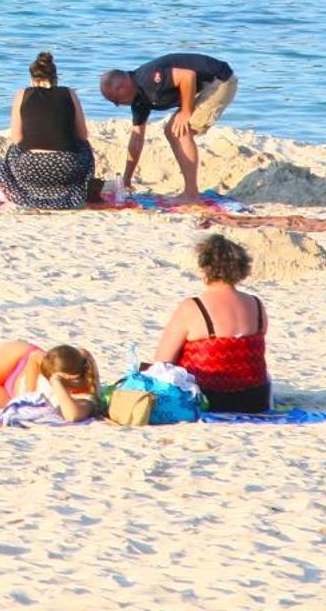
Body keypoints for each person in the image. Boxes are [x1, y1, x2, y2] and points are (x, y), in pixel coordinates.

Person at [150, 233, 272, 412]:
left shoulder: (193, 307)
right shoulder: (256, 304)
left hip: (207, 397)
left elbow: (163, 360)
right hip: (255, 398)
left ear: (205, 267)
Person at [99, 53, 237, 202]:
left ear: (122, 87)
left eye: (114, 99)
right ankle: (191, 191)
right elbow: (136, 139)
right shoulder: (139, 100)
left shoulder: (148, 78)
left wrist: (186, 111)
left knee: (179, 132)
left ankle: (191, 193)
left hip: (220, 81)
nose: (117, 105)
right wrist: (126, 180)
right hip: (205, 85)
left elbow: (187, 76)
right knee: (172, 131)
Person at [0, 51, 96, 210]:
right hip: (66, 167)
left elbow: (16, 138)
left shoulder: (22, 94)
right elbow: (83, 135)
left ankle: (22, 195)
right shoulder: (69, 93)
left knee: (12, 150)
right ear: (56, 78)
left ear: (32, 79)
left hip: (30, 168)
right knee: (85, 147)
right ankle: (74, 195)